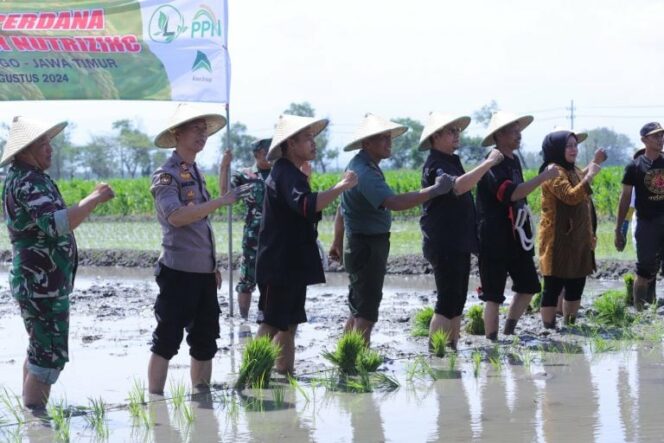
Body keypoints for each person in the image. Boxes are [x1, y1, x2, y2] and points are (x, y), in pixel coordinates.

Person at [1, 116, 115, 408]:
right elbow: (57, 224)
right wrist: (94, 198)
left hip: (41, 282)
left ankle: (30, 417)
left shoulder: (30, 177)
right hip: (41, 283)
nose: (49, 148)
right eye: (42, 143)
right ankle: (36, 425)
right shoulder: (27, 181)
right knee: (49, 355)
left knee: (39, 349)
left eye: (49, 141)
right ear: (25, 150)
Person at [148, 104, 249, 394]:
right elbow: (177, 216)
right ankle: (155, 403)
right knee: (166, 339)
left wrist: (212, 266)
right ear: (177, 133)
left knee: (205, 340)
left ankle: (202, 400)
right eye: (196, 129)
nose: (202, 135)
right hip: (177, 271)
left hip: (203, 272)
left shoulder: (195, 171)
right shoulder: (166, 175)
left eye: (204, 131)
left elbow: (200, 225)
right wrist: (220, 202)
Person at [329, 113, 453, 346]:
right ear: (367, 143)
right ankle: (358, 362)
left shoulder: (361, 166)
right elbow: (394, 202)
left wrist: (337, 241)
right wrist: (434, 190)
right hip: (366, 246)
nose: (389, 143)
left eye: (389, 138)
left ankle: (347, 354)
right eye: (382, 139)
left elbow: (341, 207)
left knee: (358, 307)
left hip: (359, 243)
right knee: (366, 311)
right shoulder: (364, 173)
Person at [255, 114, 358, 375]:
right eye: (307, 138)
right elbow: (306, 205)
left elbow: (303, 210)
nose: (314, 143)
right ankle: (253, 374)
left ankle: (285, 374)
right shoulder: (285, 173)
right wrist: (341, 186)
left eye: (314, 137)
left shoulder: (293, 174)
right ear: (290, 144)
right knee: (271, 322)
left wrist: (311, 184)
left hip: (291, 263)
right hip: (278, 264)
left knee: (289, 324)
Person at [419, 112, 504, 349]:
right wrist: (488, 163)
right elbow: (457, 187)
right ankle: (436, 354)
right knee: (446, 301)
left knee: (458, 300)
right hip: (444, 241)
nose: (457, 135)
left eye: (458, 131)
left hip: (459, 240)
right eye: (451, 131)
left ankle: (452, 347)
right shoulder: (435, 165)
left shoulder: (451, 160)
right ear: (436, 136)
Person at [476, 111, 559, 340]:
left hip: (516, 234)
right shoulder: (492, 163)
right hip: (494, 236)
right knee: (493, 295)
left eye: (518, 130)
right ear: (499, 135)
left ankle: (509, 330)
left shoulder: (513, 159)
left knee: (529, 285)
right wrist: (543, 177)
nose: (518, 134)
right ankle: (492, 340)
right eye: (513, 130)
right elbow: (512, 194)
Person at [538, 130, 606, 327]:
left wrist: (595, 164)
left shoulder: (570, 169)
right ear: (557, 149)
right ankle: (548, 327)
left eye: (575, 145)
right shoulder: (553, 170)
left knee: (577, 282)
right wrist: (591, 175)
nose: (573, 149)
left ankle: (570, 324)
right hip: (557, 239)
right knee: (553, 285)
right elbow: (570, 196)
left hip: (577, 238)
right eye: (568, 145)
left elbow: (579, 179)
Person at [220, 138, 272, 320]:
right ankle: (243, 321)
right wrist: (224, 167)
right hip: (253, 236)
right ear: (257, 154)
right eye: (267, 152)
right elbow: (226, 194)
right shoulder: (245, 175)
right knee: (247, 279)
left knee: (272, 279)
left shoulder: (281, 172)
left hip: (276, 236)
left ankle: (265, 317)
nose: (272, 155)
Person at [615, 122, 664, 309]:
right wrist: (619, 229)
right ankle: (639, 312)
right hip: (646, 224)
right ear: (644, 140)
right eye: (655, 136)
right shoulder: (634, 167)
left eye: (662, 135)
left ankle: (655, 309)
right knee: (644, 271)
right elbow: (625, 199)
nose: (660, 139)